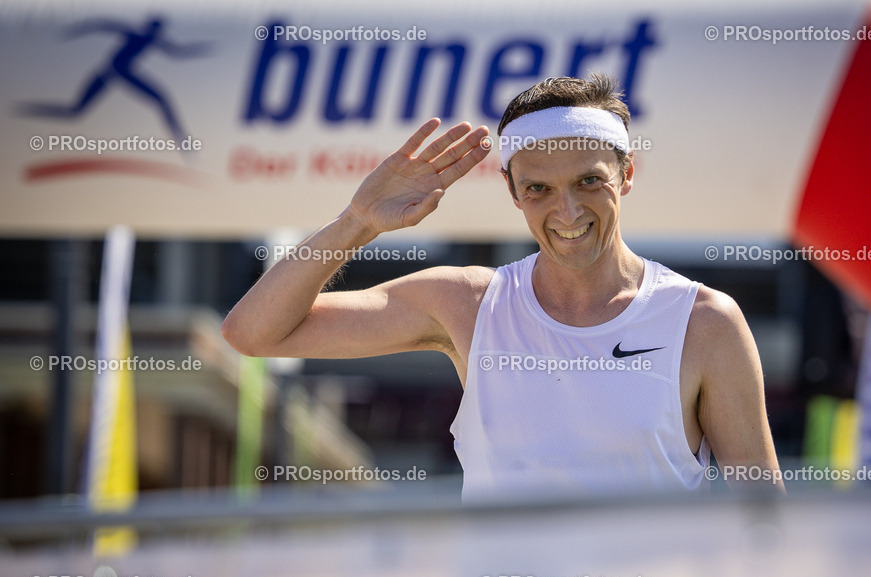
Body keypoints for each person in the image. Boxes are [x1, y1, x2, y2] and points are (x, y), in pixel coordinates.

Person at [222, 74, 784, 498]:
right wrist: (358, 221)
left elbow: (763, 523)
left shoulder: (704, 321)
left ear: (627, 175)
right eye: (539, 188)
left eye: (589, 181)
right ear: (513, 192)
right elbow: (254, 333)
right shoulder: (467, 303)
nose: (567, 210)